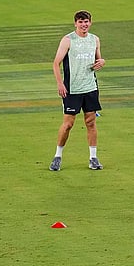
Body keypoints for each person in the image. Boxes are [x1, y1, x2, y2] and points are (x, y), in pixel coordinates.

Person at [49, 10, 105, 171]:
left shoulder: (94, 39)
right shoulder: (68, 40)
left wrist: (102, 62)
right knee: (68, 124)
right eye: (80, 22)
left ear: (90, 23)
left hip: (90, 87)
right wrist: (60, 83)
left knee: (91, 122)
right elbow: (56, 63)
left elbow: (98, 60)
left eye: (86, 21)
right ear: (75, 24)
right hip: (72, 89)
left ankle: (93, 158)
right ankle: (57, 156)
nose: (84, 24)